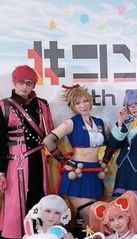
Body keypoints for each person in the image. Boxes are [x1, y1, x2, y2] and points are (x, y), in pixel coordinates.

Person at [0, 65, 54, 239]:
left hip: (38, 160)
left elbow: (49, 135)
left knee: (38, 202)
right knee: (14, 210)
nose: (25, 87)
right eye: (21, 82)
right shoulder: (2, 106)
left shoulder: (42, 105)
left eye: (29, 83)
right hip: (14, 163)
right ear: (14, 83)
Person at [43, 85, 107, 225]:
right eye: (77, 103)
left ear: (90, 101)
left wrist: (106, 160)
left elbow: (112, 144)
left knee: (92, 221)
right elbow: (48, 141)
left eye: (85, 101)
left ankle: (86, 237)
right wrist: (64, 162)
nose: (83, 105)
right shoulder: (71, 123)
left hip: (94, 174)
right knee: (93, 219)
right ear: (72, 106)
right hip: (78, 173)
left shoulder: (100, 123)